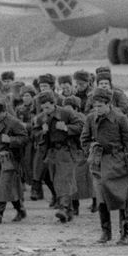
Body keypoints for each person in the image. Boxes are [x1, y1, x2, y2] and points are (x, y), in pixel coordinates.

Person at [81, 87, 128, 245]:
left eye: (100, 106)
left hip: (118, 162)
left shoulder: (120, 118)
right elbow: (84, 139)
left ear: (109, 104)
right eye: (95, 106)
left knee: (122, 197)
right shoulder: (91, 119)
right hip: (99, 163)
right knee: (101, 197)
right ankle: (105, 232)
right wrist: (91, 149)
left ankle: (125, 233)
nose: (97, 109)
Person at [36, 90, 84, 222]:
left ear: (53, 103)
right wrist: (42, 132)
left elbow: (81, 126)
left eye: (48, 107)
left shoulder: (66, 113)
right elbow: (34, 134)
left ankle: (63, 207)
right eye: (43, 108)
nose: (45, 110)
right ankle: (69, 211)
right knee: (56, 181)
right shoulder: (41, 118)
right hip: (51, 153)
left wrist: (66, 128)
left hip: (66, 150)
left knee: (64, 179)